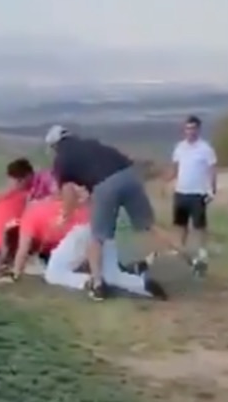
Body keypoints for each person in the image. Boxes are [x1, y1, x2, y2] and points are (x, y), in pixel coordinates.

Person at [45, 125, 176, 299]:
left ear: (55, 146)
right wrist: (157, 171)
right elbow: (128, 160)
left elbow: (68, 193)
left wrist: (64, 216)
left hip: (101, 196)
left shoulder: (62, 160)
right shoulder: (92, 144)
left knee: (86, 246)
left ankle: (96, 285)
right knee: (148, 227)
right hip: (129, 176)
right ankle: (147, 282)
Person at [0, 191, 91, 287]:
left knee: (53, 273)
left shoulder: (29, 218)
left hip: (79, 235)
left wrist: (15, 273)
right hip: (91, 231)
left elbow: (23, 250)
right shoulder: (43, 205)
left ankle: (89, 282)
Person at [166, 115, 218, 275]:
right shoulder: (179, 147)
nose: (190, 131)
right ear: (184, 130)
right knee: (180, 224)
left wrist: (212, 190)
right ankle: (180, 249)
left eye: (193, 128)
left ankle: (202, 251)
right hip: (181, 191)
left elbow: (212, 170)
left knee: (199, 225)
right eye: (188, 128)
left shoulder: (205, 148)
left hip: (198, 192)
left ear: (198, 129)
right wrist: (166, 183)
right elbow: (175, 168)